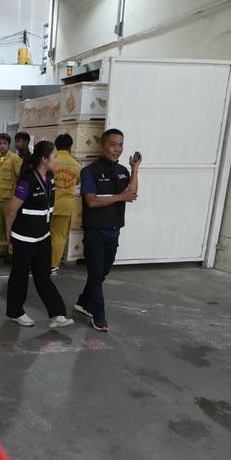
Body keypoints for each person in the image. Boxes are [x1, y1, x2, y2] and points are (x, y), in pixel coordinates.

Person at [75, 128, 141, 332]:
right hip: (95, 230)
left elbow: (132, 192)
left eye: (120, 145)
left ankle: (84, 301)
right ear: (102, 146)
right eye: (113, 145)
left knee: (102, 272)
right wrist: (120, 197)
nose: (117, 149)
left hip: (114, 230)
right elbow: (92, 201)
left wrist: (135, 169)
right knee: (96, 274)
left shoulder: (122, 170)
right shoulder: (90, 171)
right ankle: (98, 314)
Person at [5, 140, 74, 328]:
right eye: (55, 157)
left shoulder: (50, 177)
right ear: (44, 159)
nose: (57, 160)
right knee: (19, 275)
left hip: (43, 236)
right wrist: (8, 236)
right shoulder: (26, 181)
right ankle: (15, 312)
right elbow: (12, 211)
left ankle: (57, 314)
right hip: (24, 237)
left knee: (43, 275)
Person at [49, 133, 81, 274]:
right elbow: (78, 181)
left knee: (43, 235)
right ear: (70, 146)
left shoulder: (51, 160)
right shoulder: (76, 164)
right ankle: (53, 265)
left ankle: (40, 262)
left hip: (48, 204)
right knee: (59, 236)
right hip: (65, 205)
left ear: (56, 146)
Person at [0, 133, 22, 261]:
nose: (1, 146)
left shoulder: (15, 159)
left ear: (9, 145)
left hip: (9, 198)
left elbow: (21, 177)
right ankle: (2, 248)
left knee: (11, 226)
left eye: (4, 143)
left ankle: (12, 251)